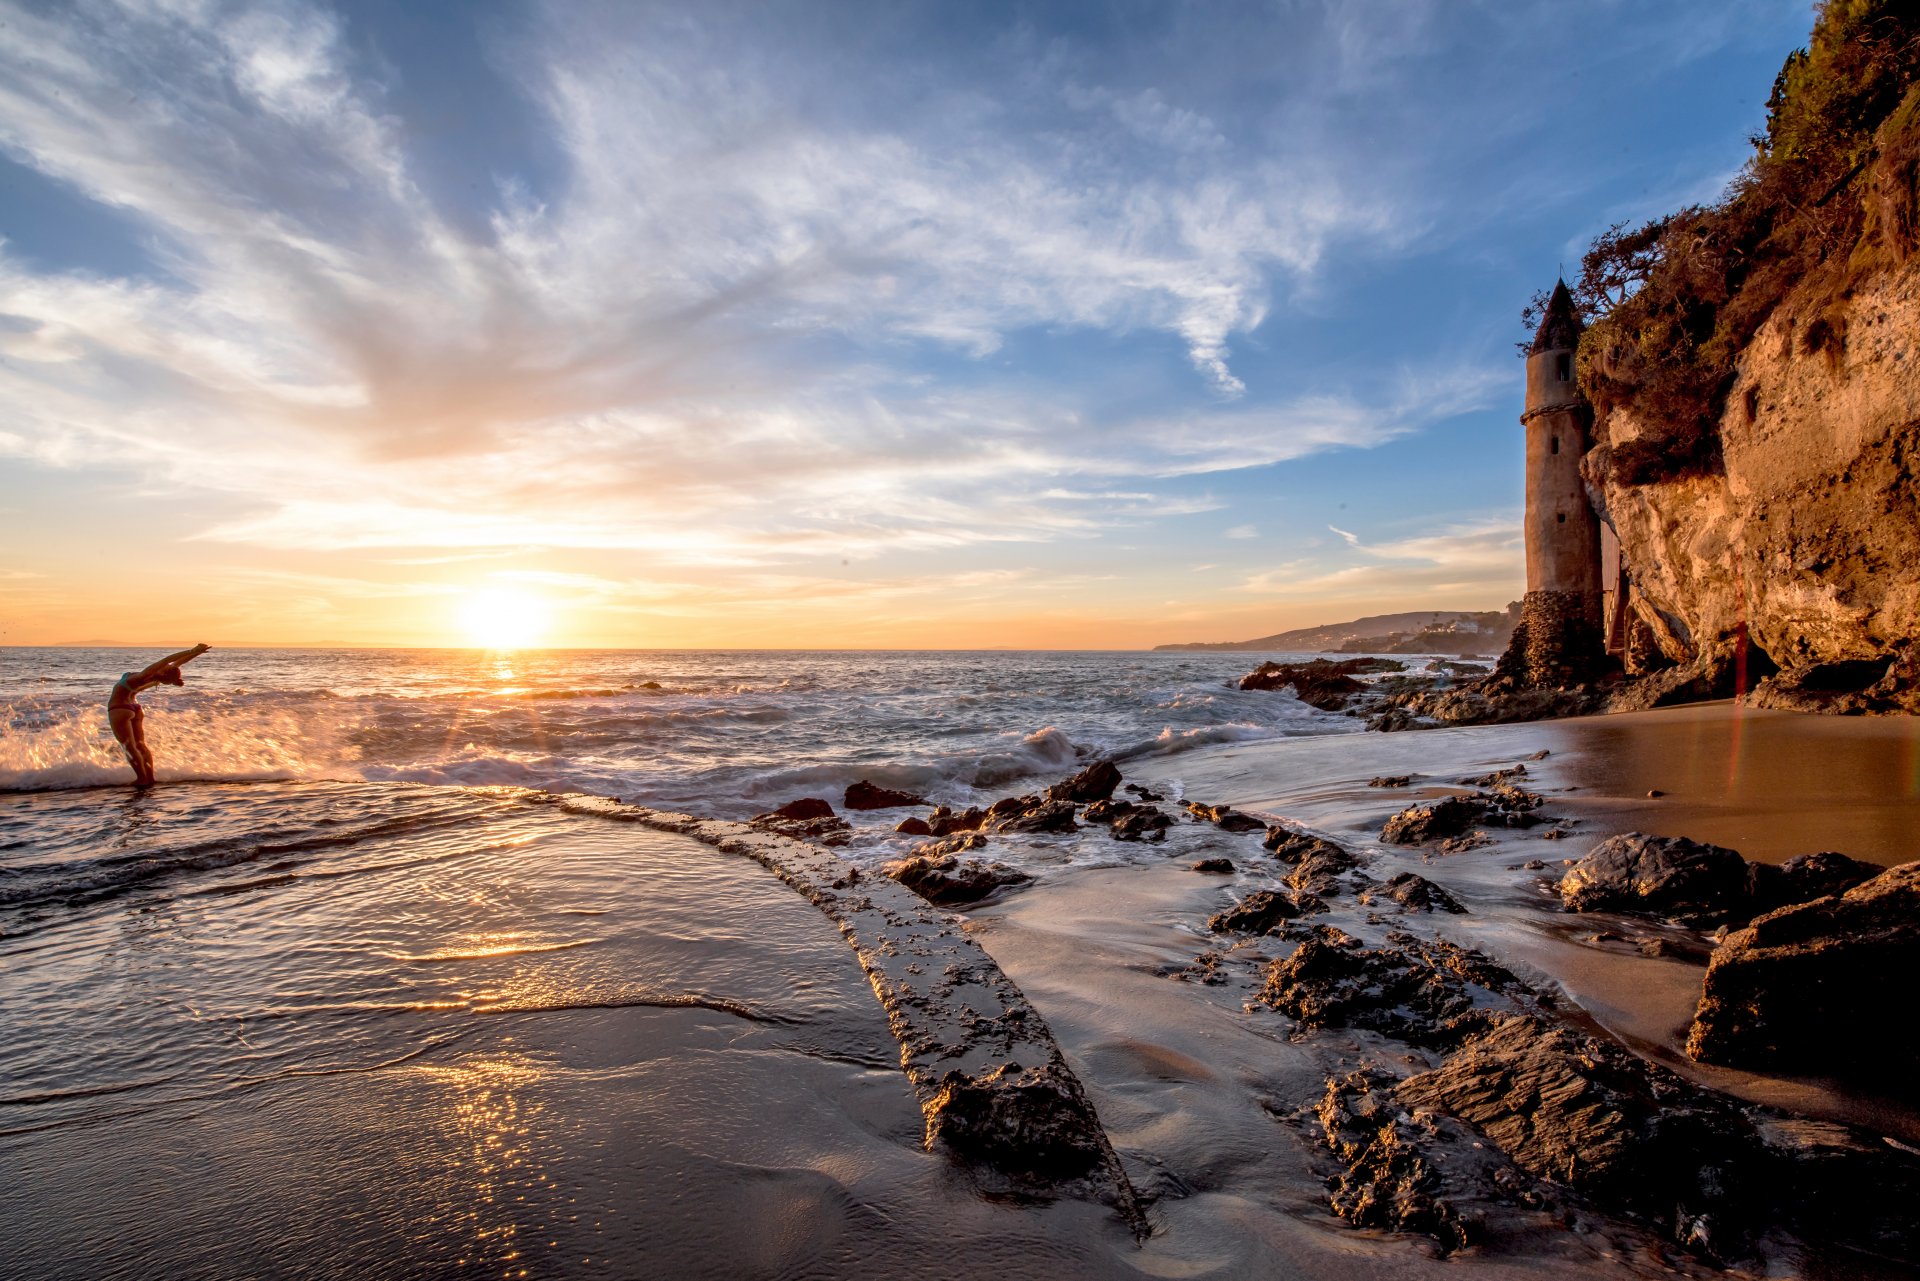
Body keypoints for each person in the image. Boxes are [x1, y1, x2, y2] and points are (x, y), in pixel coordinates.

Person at [108, 644, 211, 786]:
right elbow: (178, 663)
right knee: (140, 745)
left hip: (120, 708)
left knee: (129, 746)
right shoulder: (158, 677)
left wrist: (192, 651)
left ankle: (142, 778)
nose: (167, 665)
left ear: (163, 671)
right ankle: (149, 778)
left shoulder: (146, 675)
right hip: (135, 708)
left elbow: (167, 660)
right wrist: (197, 653)